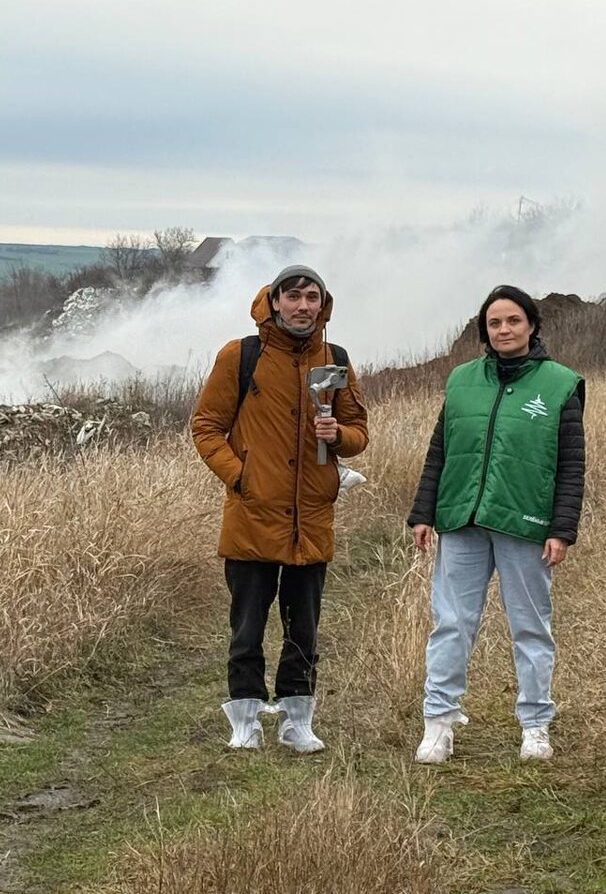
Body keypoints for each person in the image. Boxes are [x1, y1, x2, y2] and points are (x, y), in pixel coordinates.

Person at [192, 265, 368, 753]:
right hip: (252, 515)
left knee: (303, 627)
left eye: (312, 297)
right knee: (246, 625)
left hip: (310, 518)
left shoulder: (335, 360)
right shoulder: (241, 356)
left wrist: (341, 438)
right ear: (273, 302)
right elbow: (206, 426)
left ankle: (297, 719)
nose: (303, 306)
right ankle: (244, 718)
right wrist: (240, 476)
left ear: (323, 305)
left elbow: (358, 431)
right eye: (293, 296)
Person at [407, 285, 585, 763]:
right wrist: (424, 512)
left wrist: (561, 529)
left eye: (513, 321)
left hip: (524, 523)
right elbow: (440, 450)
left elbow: (571, 464)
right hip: (461, 518)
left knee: (530, 627)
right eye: (494, 323)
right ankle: (438, 723)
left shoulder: (560, 384)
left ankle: (535, 726)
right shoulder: (462, 380)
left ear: (531, 325)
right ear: (484, 330)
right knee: (451, 623)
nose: (504, 330)